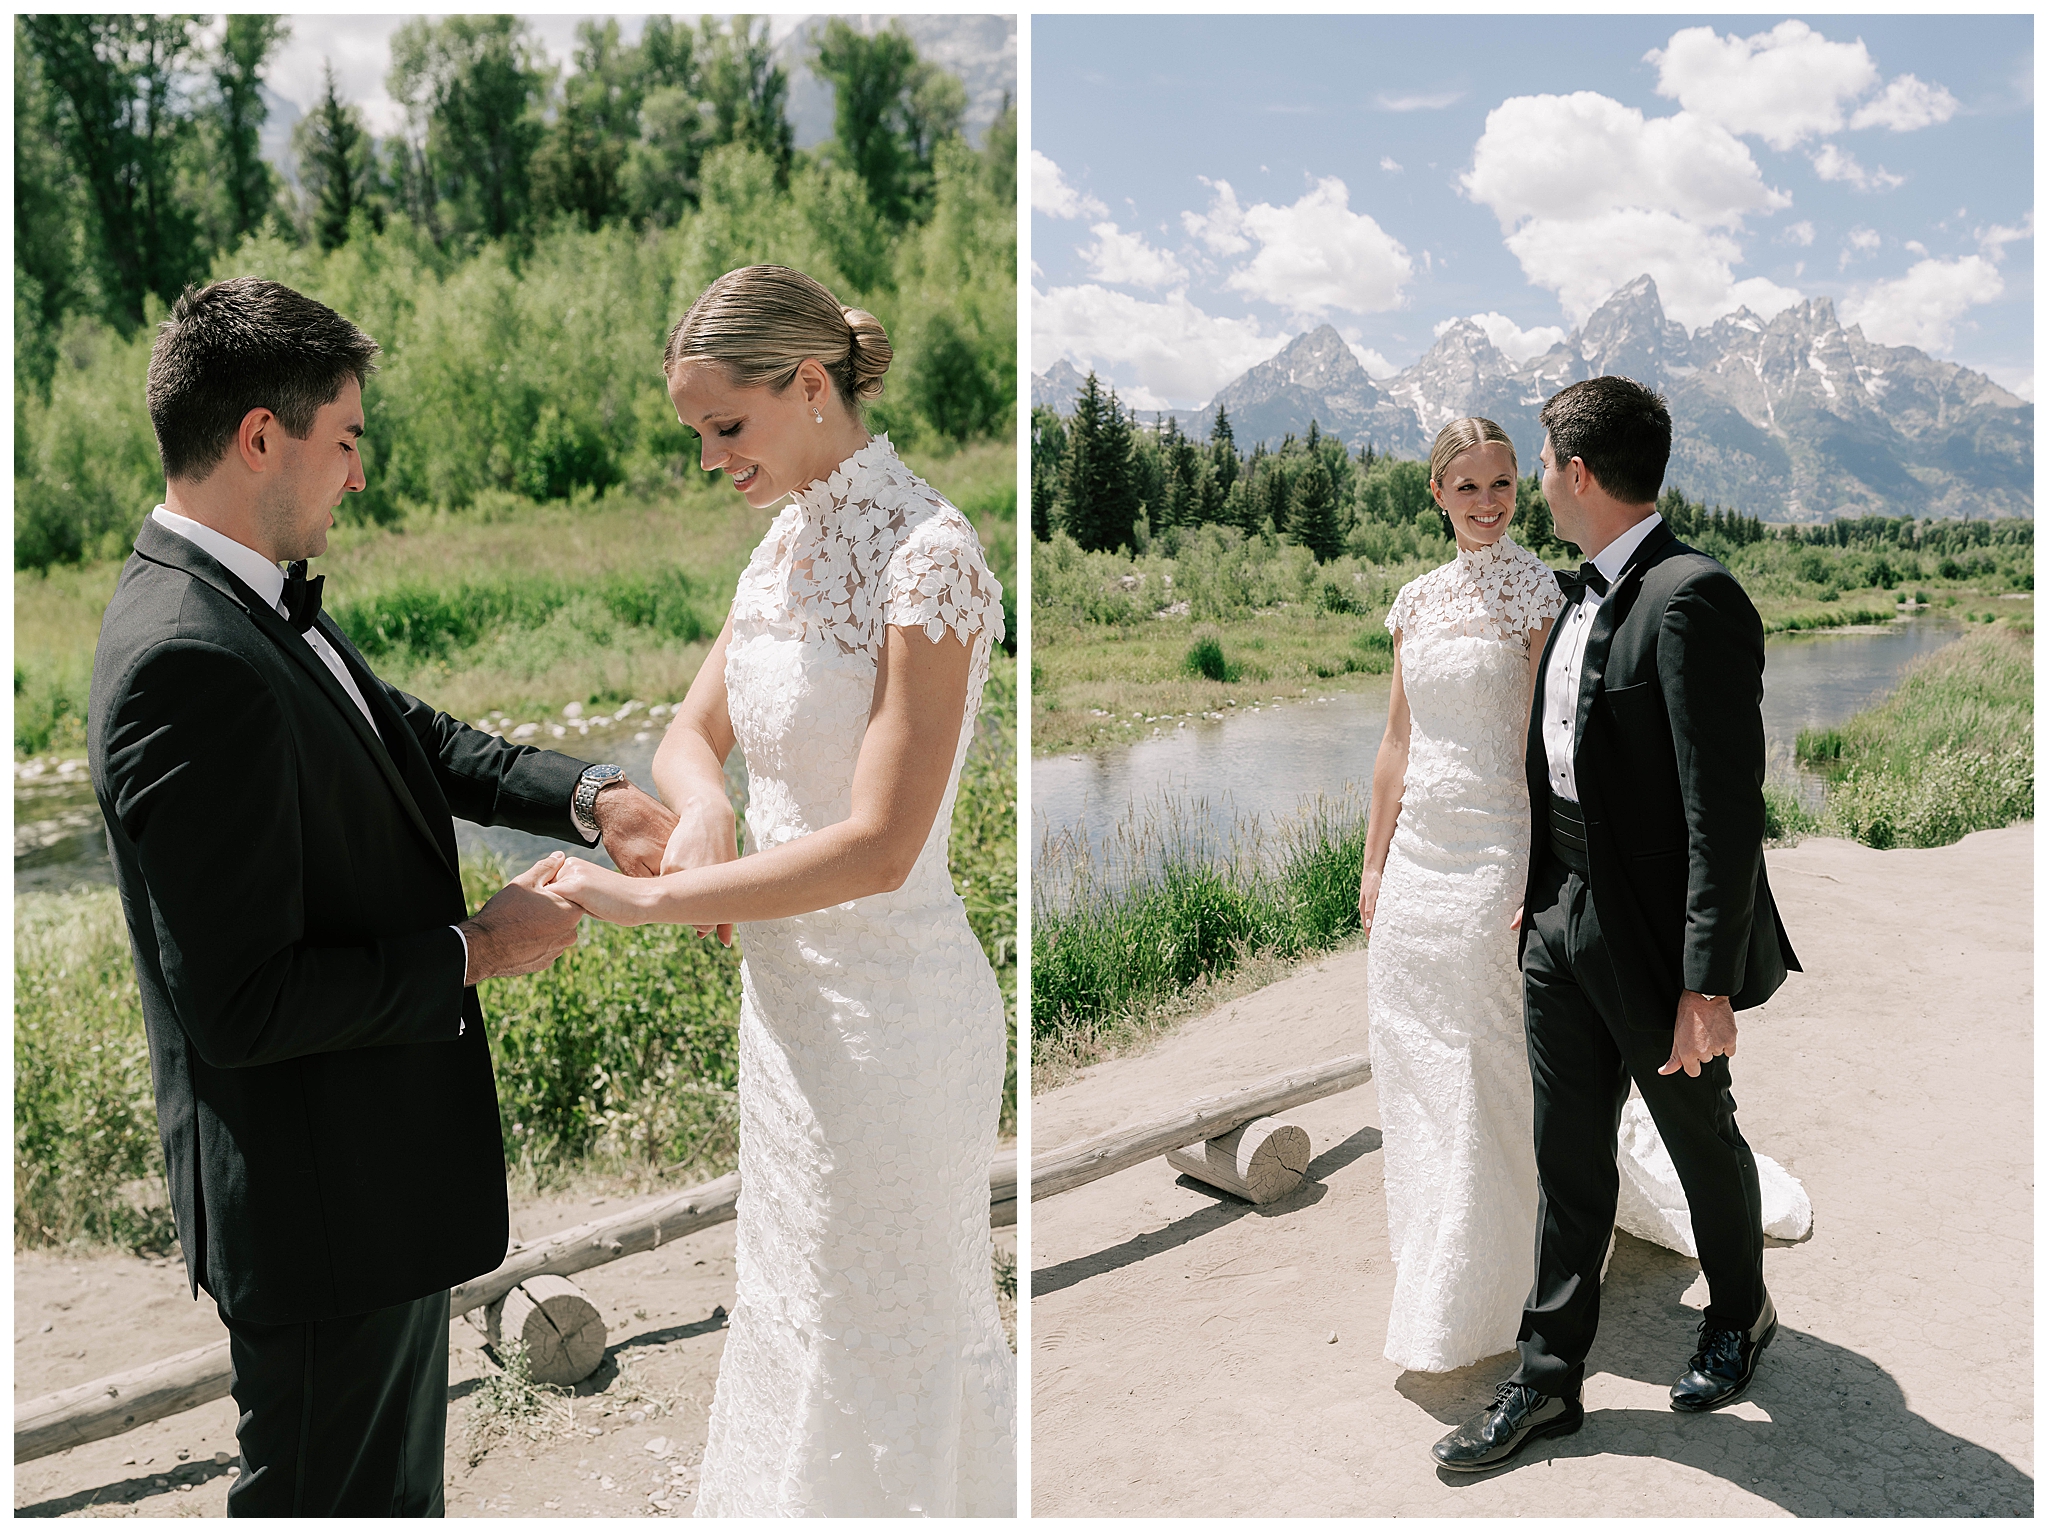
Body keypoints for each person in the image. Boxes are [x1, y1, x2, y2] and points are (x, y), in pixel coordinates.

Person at [87, 277, 678, 1515]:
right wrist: (474, 946)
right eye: (347, 438)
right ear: (263, 437)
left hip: (362, 1197)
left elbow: (399, 731)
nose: (360, 474)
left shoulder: (239, 600)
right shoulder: (185, 660)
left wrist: (590, 795)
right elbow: (242, 1005)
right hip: (323, 1223)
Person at [543, 265, 1016, 1517]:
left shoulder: (931, 559)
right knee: (800, 1321)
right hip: (789, 1019)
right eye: (695, 433)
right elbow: (689, 736)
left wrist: (650, 900)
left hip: (896, 1025)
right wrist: (704, 808)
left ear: (810, 386)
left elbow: (877, 846)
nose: (708, 457)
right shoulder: (781, 546)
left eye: (725, 427)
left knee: (894, 1339)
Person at [1432, 376, 1800, 1473]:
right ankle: (1548, 1382)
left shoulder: (1693, 596)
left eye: (1541, 462)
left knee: (1697, 1134)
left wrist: (1704, 982)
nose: (1536, 481)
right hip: (1555, 914)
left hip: (1651, 940)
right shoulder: (1572, 592)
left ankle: (1738, 1308)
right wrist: (1538, 889)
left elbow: (1721, 813)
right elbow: (1561, 766)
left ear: (1576, 473)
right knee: (1566, 1154)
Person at [1358, 417, 1565, 1374]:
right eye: (1469, 488)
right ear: (1436, 493)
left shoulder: (1537, 590)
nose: (1488, 505)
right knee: (1413, 1053)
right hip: (1418, 860)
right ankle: (1432, 1245)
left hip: (1498, 848)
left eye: (1504, 485)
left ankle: (1495, 1279)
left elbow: (1547, 745)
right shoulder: (1413, 601)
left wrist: (1542, 866)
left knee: (1487, 1055)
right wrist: (1373, 862)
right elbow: (1396, 744)